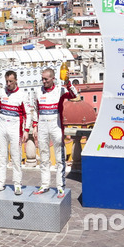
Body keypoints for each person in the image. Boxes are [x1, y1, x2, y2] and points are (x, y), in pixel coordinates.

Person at [0, 70, 31, 196]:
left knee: (16, 157)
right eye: (7, 81)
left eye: (11, 81)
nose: (8, 84)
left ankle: (17, 184)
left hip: (16, 128)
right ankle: (0, 183)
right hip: (2, 126)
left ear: (16, 80)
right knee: (1, 157)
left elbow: (28, 113)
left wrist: (26, 130)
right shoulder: (2, 91)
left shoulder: (22, 94)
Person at [32, 66, 76, 197]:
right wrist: (35, 126)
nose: (44, 81)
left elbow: (74, 95)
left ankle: (60, 187)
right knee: (44, 157)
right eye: (42, 79)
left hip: (56, 126)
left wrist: (68, 81)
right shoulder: (37, 91)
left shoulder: (60, 90)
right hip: (43, 127)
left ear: (53, 78)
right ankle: (44, 185)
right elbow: (35, 109)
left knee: (59, 159)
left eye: (46, 79)